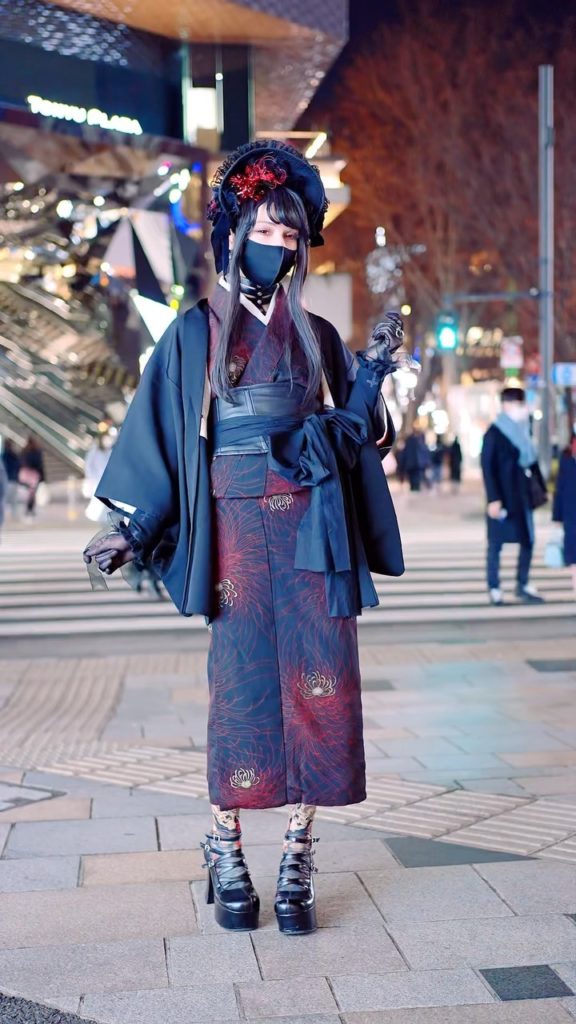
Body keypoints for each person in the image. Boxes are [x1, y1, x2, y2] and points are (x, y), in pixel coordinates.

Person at [83, 139, 404, 936]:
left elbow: (356, 433)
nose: (282, 245)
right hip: (232, 521)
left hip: (313, 523)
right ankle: (225, 844)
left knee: (322, 684)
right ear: (235, 235)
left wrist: (368, 378)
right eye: (268, 229)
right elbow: (162, 436)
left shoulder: (318, 333)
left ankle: (298, 850)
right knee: (243, 693)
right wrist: (130, 525)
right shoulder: (193, 334)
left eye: (293, 235)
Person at [481, 387, 546, 606]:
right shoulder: (494, 432)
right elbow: (487, 467)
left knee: (528, 540)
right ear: (507, 405)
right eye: (520, 405)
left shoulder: (523, 430)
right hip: (502, 497)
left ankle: (523, 583)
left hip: (522, 495)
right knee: (496, 544)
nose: (523, 409)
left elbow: (531, 461)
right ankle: (494, 587)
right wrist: (493, 498)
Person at [552, 433, 576, 598]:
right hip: (571, 513)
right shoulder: (566, 456)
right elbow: (559, 489)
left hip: (569, 513)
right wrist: (557, 516)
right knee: (574, 559)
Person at [19, 436, 45, 517]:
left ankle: (29, 508)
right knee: (31, 493)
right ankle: (29, 508)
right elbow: (40, 464)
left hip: (29, 475)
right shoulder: (34, 452)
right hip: (32, 475)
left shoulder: (26, 451)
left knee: (30, 493)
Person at [1, 439, 21, 519]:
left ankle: (13, 515)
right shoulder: (10, 455)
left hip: (10, 479)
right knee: (11, 499)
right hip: (11, 479)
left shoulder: (8, 455)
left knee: (9, 499)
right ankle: (13, 515)